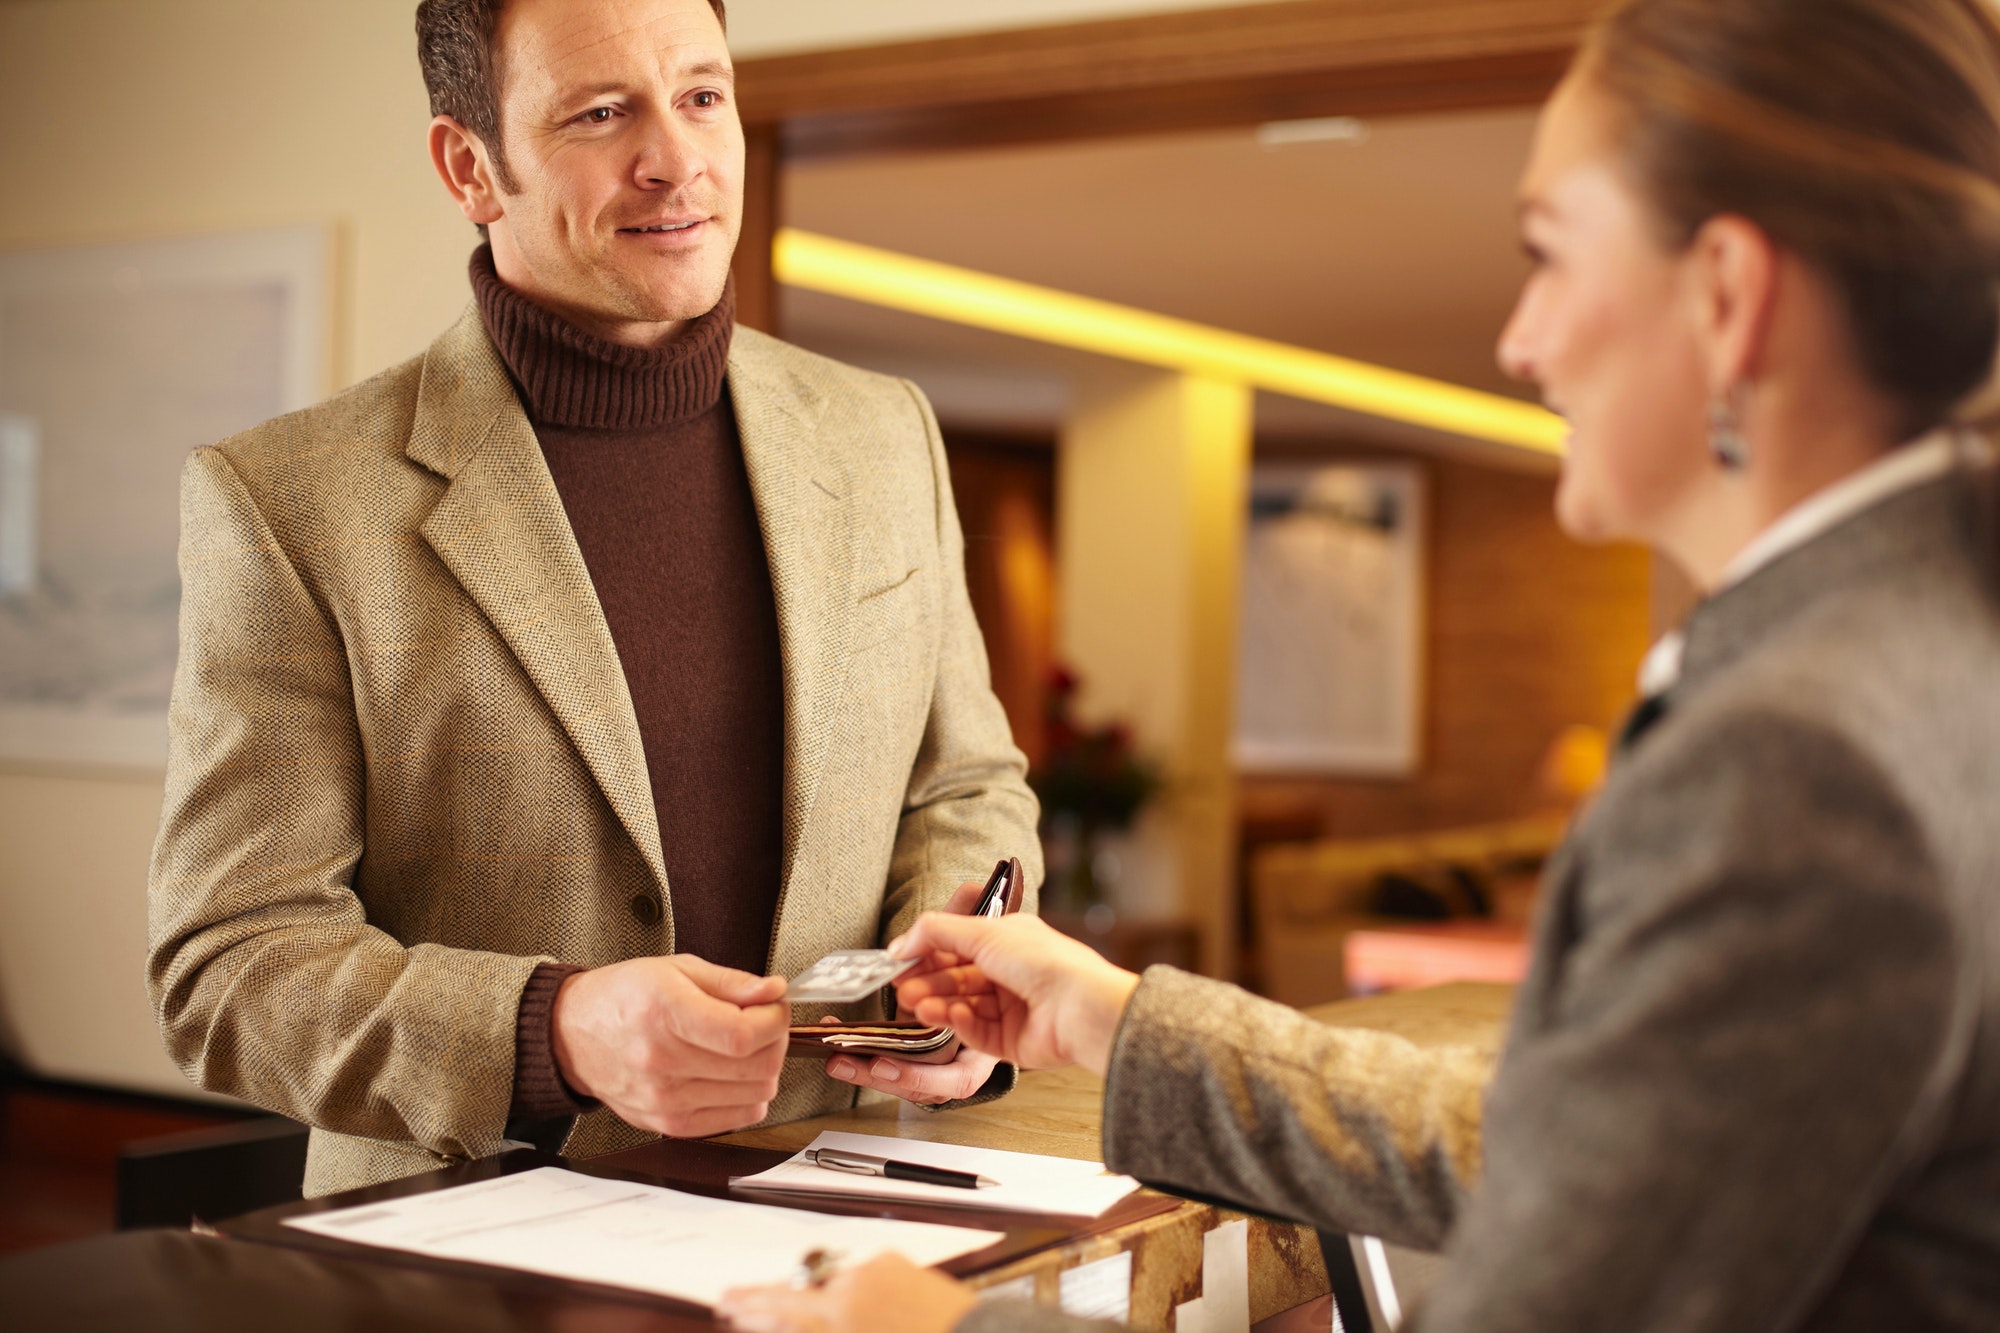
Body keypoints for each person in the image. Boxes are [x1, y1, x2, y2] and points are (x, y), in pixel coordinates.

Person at [716, 0, 2000, 1328]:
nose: (1521, 341)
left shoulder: (1802, 760)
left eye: (1549, 257)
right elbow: (1574, 1152)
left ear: (1729, 294)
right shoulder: (1929, 653)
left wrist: (922, 1327)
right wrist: (1120, 1022)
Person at [146, 0, 1040, 1198]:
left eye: (702, 95)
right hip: (469, 1253)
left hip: (831, 1220)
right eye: (602, 111)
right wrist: (554, 1029)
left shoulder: (885, 432)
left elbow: (963, 783)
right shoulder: (287, 502)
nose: (677, 159)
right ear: (471, 165)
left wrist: (950, 984)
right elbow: (231, 964)